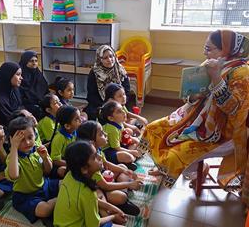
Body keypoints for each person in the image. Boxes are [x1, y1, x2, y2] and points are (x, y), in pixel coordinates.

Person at [140, 30, 249, 190]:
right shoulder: (211, 64)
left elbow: (232, 110)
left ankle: (190, 171)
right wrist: (194, 97)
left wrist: (216, 78)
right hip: (197, 118)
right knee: (152, 129)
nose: (204, 53)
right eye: (205, 48)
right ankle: (165, 168)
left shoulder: (242, 73)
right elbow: (189, 96)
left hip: (222, 133)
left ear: (225, 50)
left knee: (175, 155)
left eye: (209, 49)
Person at [53, 140, 140, 227]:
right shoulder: (86, 192)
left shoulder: (71, 175)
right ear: (84, 168)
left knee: (110, 216)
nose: (100, 157)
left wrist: (113, 208)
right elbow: (93, 226)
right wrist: (113, 217)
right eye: (94, 157)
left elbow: (93, 200)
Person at [5, 116, 59, 227]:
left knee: (64, 183)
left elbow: (48, 170)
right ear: (13, 140)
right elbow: (14, 176)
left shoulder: (37, 151)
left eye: (30, 137)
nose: (28, 142)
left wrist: (45, 158)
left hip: (44, 184)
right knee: (44, 210)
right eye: (21, 140)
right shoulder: (12, 158)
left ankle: (54, 208)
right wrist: (14, 147)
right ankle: (59, 203)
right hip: (25, 196)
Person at [77, 121, 142, 216]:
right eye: (101, 134)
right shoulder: (90, 166)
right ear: (92, 142)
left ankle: (122, 191)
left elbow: (107, 163)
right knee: (121, 197)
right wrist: (128, 184)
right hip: (99, 187)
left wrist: (124, 171)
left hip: (104, 178)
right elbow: (105, 186)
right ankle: (120, 202)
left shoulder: (97, 150)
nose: (106, 134)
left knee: (122, 167)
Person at [85, 45, 134, 120]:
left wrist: (120, 101)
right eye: (105, 58)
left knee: (126, 113)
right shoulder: (94, 73)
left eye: (111, 56)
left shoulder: (120, 70)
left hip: (120, 101)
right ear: (99, 59)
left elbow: (127, 90)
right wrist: (106, 104)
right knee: (96, 114)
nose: (109, 59)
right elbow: (91, 95)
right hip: (101, 103)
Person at [100, 101, 141, 166]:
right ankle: (128, 161)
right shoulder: (112, 129)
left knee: (136, 141)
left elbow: (123, 136)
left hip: (117, 144)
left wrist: (133, 140)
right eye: (119, 112)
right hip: (108, 151)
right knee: (129, 157)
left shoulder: (119, 122)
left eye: (122, 109)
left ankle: (132, 158)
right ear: (111, 118)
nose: (124, 112)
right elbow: (116, 148)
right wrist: (131, 151)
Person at [50, 105, 81, 178]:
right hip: (61, 164)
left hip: (70, 160)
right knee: (62, 170)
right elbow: (55, 161)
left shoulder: (74, 131)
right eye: (77, 119)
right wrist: (73, 165)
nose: (80, 120)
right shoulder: (59, 138)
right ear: (67, 126)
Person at [19, 51, 48, 120]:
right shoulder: (20, 76)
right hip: (27, 104)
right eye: (31, 61)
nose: (34, 63)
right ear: (25, 62)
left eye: (36, 61)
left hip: (40, 101)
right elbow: (20, 96)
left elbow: (45, 90)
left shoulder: (38, 74)